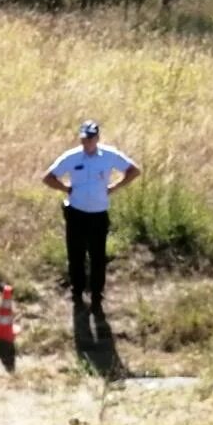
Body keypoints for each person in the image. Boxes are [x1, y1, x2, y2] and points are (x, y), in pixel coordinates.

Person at [41, 120, 141, 314]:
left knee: (97, 256)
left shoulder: (109, 155)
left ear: (97, 138)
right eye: (84, 139)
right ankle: (77, 293)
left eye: (91, 139)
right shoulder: (71, 157)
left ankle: (97, 296)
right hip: (77, 212)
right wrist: (66, 189)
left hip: (98, 213)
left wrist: (115, 187)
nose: (87, 143)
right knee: (76, 254)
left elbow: (133, 170)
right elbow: (48, 177)